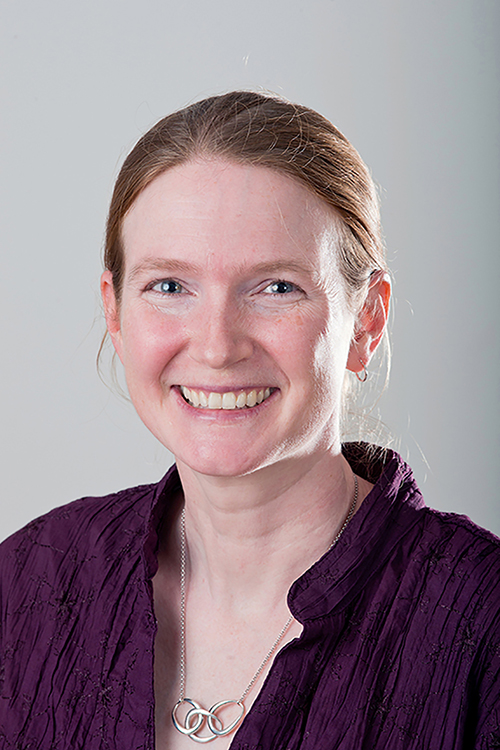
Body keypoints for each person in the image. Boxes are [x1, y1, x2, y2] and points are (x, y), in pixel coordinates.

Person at [0, 91, 499, 750]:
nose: (216, 346)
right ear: (115, 313)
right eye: (170, 287)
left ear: (368, 321)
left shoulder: (481, 621)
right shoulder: (30, 582)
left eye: (276, 287)